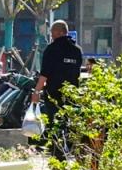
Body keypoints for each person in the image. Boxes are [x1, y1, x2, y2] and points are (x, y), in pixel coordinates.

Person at [32, 20, 84, 155]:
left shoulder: (51, 49)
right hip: (71, 95)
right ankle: (69, 150)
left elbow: (44, 74)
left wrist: (36, 92)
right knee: (68, 123)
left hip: (54, 94)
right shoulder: (77, 50)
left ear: (60, 32)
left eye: (52, 31)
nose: (51, 34)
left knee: (54, 123)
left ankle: (57, 153)